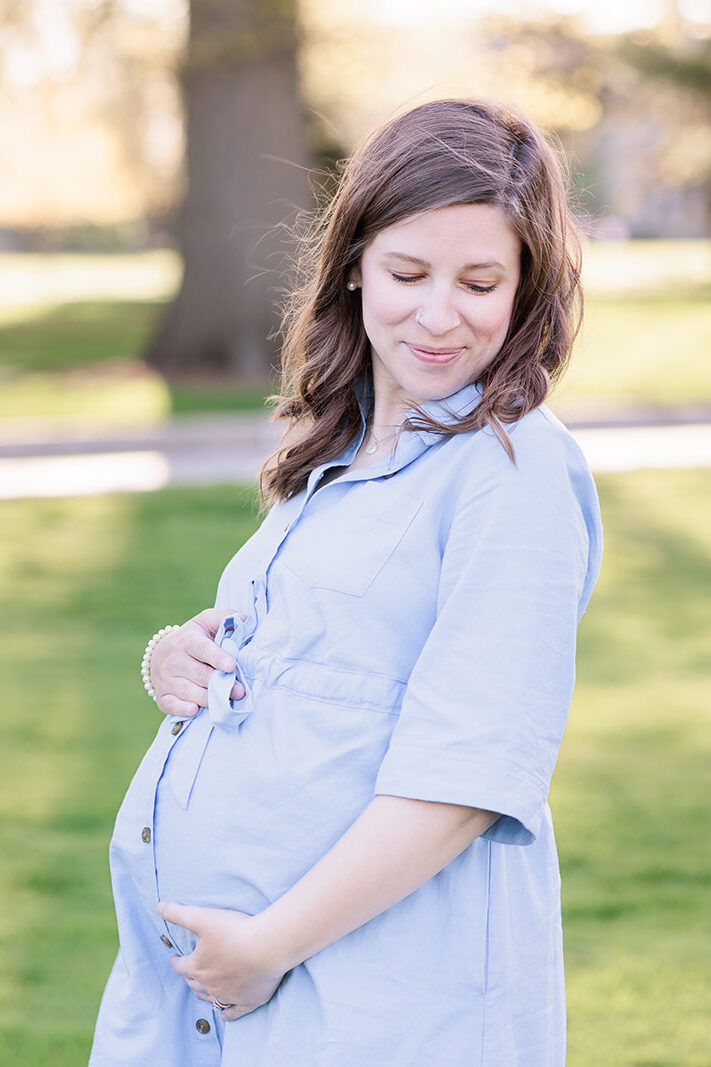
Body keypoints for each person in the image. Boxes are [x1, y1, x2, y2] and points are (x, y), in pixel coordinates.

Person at [89, 97, 603, 1067]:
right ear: (355, 260)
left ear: (528, 289)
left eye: (481, 281)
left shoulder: (513, 470)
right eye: (409, 272)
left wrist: (268, 946)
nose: (439, 313)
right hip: (214, 998)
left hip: (373, 1000)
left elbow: (468, 773)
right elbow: (322, 672)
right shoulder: (339, 444)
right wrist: (178, 662)